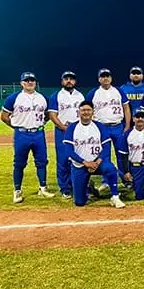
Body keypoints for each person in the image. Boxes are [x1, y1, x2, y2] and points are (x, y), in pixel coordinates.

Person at [1, 72, 55, 203]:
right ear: (21, 83)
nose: (29, 82)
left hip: (38, 133)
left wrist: (42, 122)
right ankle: (17, 191)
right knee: (19, 163)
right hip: (22, 134)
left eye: (31, 80)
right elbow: (4, 116)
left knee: (42, 162)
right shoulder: (14, 98)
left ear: (35, 82)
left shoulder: (43, 98)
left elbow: (48, 114)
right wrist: (16, 126)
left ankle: (43, 188)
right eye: (26, 80)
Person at [63, 101, 125, 208]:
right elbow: (68, 151)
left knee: (110, 168)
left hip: (97, 163)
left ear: (93, 112)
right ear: (79, 112)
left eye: (88, 110)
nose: (86, 112)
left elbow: (106, 147)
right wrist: (85, 162)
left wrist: (97, 162)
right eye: (83, 110)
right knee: (79, 202)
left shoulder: (99, 126)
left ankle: (115, 196)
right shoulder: (72, 127)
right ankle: (89, 188)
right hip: (80, 165)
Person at [85, 68, 131, 186]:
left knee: (121, 154)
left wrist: (127, 125)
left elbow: (126, 108)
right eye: (103, 76)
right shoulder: (93, 93)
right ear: (99, 79)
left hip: (117, 126)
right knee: (104, 155)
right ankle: (106, 181)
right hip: (102, 127)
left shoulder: (118, 91)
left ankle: (125, 179)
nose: (105, 78)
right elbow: (86, 109)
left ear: (111, 78)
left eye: (107, 76)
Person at [47, 70, 85, 198]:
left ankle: (78, 184)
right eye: (66, 78)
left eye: (71, 79)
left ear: (75, 81)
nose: (69, 81)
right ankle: (65, 188)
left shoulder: (80, 96)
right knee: (63, 160)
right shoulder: (56, 95)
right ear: (62, 81)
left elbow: (85, 112)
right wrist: (63, 127)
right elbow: (52, 115)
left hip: (78, 131)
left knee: (79, 158)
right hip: (62, 131)